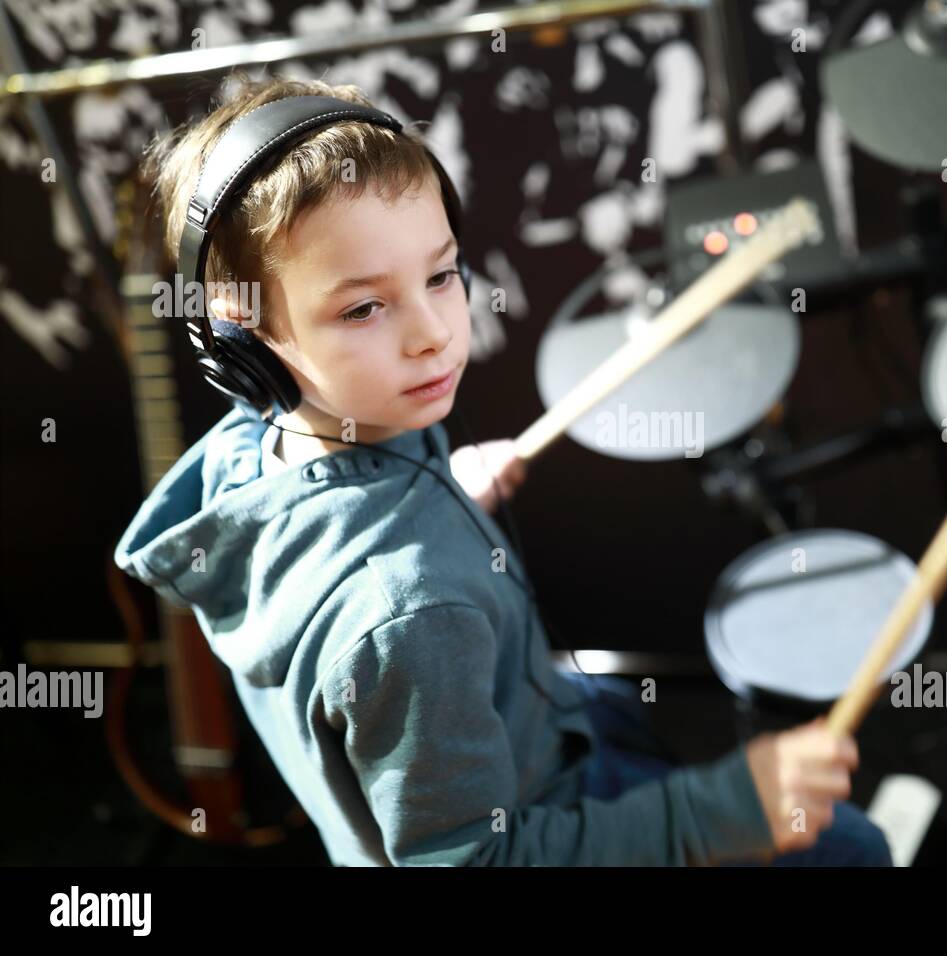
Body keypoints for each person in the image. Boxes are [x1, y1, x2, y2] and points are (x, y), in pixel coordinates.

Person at [114, 75, 892, 867]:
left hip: (524, 724)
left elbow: (345, 543)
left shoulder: (264, 445)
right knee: (852, 847)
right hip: (533, 813)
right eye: (361, 309)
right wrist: (714, 815)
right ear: (245, 347)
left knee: (618, 710)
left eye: (441, 274)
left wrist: (442, 490)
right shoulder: (410, 615)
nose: (434, 335)